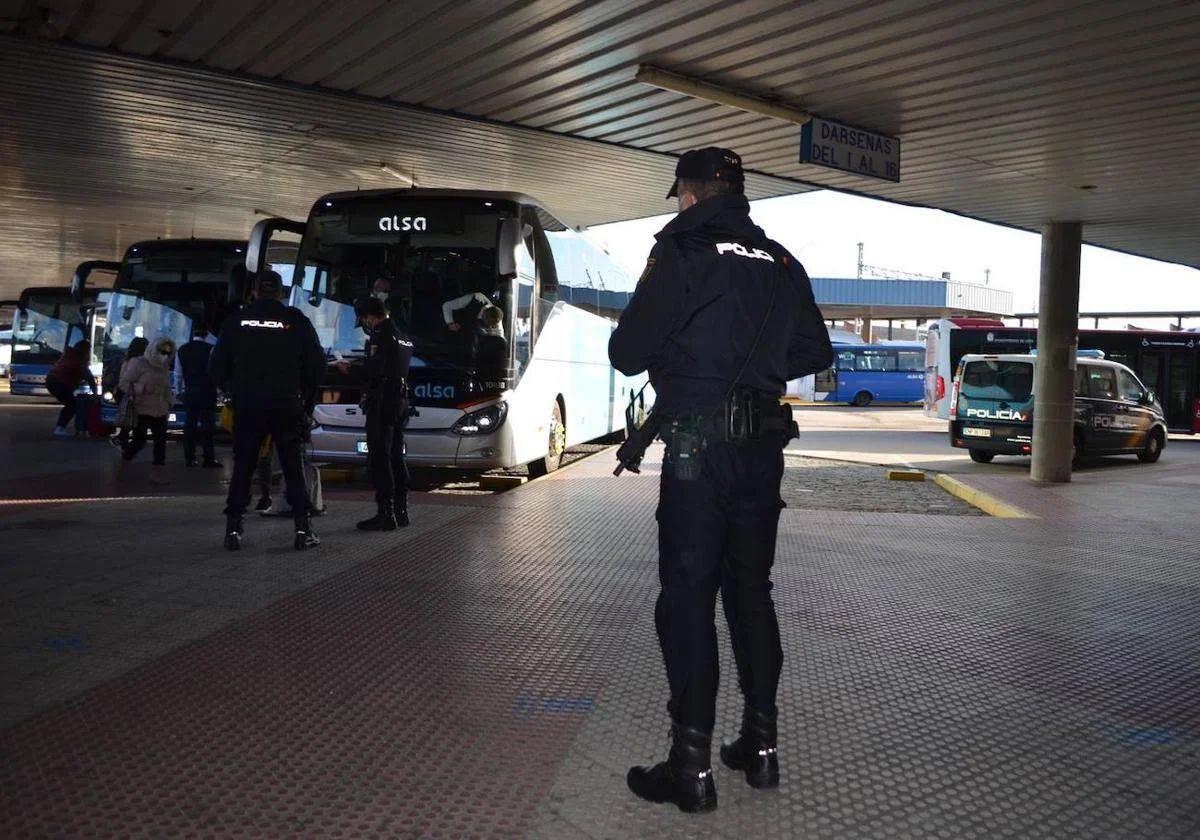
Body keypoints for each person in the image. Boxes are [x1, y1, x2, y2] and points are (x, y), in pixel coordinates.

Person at [609, 147, 833, 813]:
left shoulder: (681, 250)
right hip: (762, 452)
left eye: (678, 193)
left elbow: (626, 354)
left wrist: (695, 356)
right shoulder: (781, 261)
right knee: (750, 597)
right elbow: (815, 352)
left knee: (686, 600)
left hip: (697, 453)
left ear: (691, 192)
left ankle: (691, 768)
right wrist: (752, 361)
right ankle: (760, 751)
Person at [210, 270, 325, 551]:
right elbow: (317, 367)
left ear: (254, 292)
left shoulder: (235, 321)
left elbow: (215, 368)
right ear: (281, 293)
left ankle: (233, 530)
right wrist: (304, 402)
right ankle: (302, 530)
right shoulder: (296, 321)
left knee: (243, 466)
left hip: (248, 404)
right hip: (286, 403)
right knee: (292, 466)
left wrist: (233, 390)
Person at [349, 297, 413, 531]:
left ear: (370, 316)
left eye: (364, 318)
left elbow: (375, 370)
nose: (365, 323)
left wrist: (352, 368)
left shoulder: (381, 334)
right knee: (397, 455)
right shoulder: (403, 336)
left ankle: (385, 513)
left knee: (379, 456)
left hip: (383, 402)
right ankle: (401, 510)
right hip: (400, 401)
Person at [118, 336, 177, 485]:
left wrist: (170, 402)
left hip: (160, 409)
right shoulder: (138, 363)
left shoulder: (164, 367)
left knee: (160, 442)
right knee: (139, 440)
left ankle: (157, 473)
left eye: (167, 352)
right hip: (141, 408)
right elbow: (124, 383)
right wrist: (141, 389)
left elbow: (166, 387)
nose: (164, 355)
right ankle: (123, 464)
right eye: (162, 351)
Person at [176, 324, 222, 468]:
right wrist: (220, 390)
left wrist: (179, 392)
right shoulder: (211, 349)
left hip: (189, 391)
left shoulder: (182, 350)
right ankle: (208, 458)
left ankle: (189, 457)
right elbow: (215, 371)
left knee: (190, 424)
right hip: (207, 392)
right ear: (206, 335)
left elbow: (178, 373)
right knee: (208, 426)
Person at [45, 339, 97, 437]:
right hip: (58, 383)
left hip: (52, 381)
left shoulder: (69, 355)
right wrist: (95, 393)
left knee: (70, 403)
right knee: (72, 405)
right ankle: (60, 428)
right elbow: (89, 377)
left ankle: (60, 427)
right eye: (88, 350)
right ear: (85, 350)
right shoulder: (78, 360)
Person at [112, 337, 149, 448]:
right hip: (132, 395)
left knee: (129, 422)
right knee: (134, 423)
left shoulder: (127, 361)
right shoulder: (136, 362)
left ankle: (123, 443)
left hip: (125, 394)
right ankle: (123, 443)